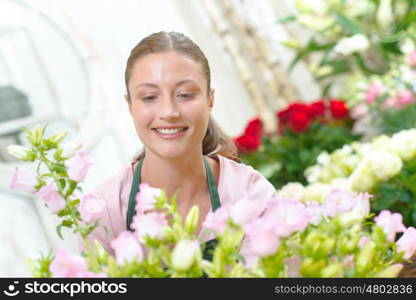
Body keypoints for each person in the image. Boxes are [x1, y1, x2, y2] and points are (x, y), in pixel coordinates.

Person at [78, 31, 277, 262]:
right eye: (150, 97)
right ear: (130, 105)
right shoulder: (103, 212)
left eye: (184, 94)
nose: (169, 112)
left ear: (209, 100)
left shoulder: (249, 193)